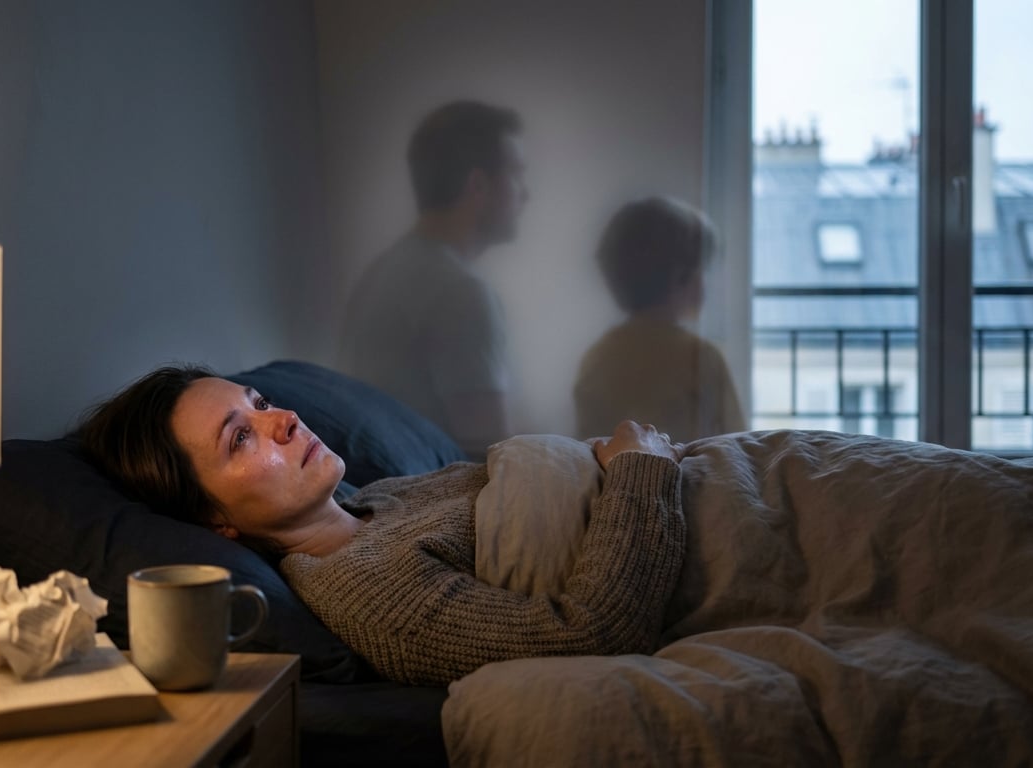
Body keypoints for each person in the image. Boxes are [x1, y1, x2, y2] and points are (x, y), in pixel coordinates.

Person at [78, 365, 685, 687]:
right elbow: (590, 638)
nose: (285, 419)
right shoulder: (368, 593)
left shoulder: (382, 498)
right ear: (214, 521)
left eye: (260, 404)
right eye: (240, 437)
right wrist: (641, 470)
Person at [338, 100, 529, 460]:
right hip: (435, 499)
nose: (526, 193)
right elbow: (493, 456)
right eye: (517, 174)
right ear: (478, 185)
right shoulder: (459, 292)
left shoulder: (384, 272)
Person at [573, 197, 746, 442]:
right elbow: (738, 449)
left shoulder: (596, 358)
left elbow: (587, 448)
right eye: (703, 270)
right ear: (681, 276)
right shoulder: (701, 358)